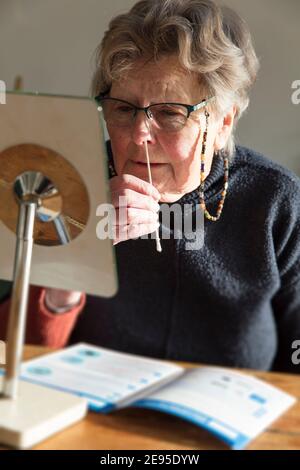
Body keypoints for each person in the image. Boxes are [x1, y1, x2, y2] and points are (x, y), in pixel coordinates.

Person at [1, 0, 300, 373]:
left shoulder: (274, 199)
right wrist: (78, 255)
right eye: (124, 109)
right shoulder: (64, 183)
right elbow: (18, 357)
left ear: (223, 121)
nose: (139, 133)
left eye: (170, 113)